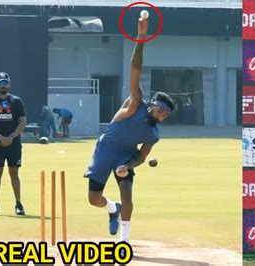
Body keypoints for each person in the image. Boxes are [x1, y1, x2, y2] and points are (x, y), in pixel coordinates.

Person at [84, 16, 176, 244]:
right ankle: (111, 209)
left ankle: (123, 241)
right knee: (93, 198)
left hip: (125, 156)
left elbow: (142, 157)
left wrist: (128, 165)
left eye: (165, 116)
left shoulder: (153, 135)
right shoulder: (135, 103)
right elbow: (136, 67)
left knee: (128, 195)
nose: (162, 117)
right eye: (161, 111)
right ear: (153, 105)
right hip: (106, 148)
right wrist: (141, 36)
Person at [0, 72, 27, 216]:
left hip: (14, 143)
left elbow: (23, 122)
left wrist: (12, 136)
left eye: (5, 83)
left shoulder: (16, 101)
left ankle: (18, 204)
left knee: (14, 173)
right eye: (0, 83)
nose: (3, 86)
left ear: (9, 84)